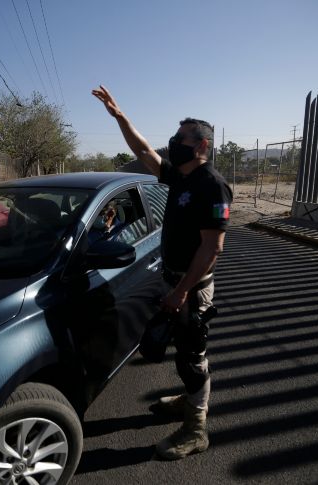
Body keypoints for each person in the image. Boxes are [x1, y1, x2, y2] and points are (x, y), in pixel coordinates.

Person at [93, 85, 232, 460]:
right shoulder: (180, 176)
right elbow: (143, 151)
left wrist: (182, 291)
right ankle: (188, 400)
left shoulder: (213, 186)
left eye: (181, 137)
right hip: (175, 280)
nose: (173, 142)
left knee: (193, 356)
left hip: (193, 287)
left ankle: (196, 428)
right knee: (182, 349)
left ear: (202, 145)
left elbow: (212, 248)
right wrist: (119, 116)